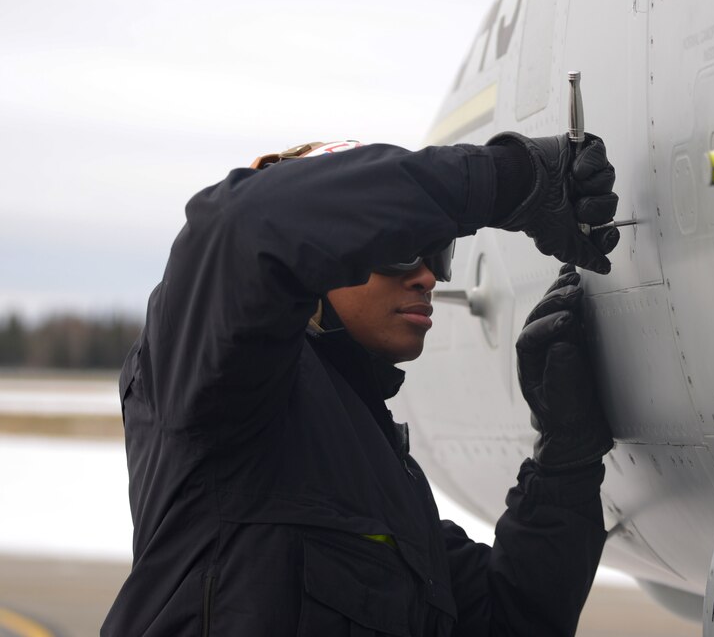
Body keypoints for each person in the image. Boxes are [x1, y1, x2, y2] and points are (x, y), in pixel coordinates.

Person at [102, 131, 620, 636]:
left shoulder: (390, 486)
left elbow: (510, 621)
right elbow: (244, 226)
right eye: (397, 248)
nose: (427, 278)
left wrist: (565, 462)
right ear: (319, 257)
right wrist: (513, 180)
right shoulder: (216, 376)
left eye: (437, 253)